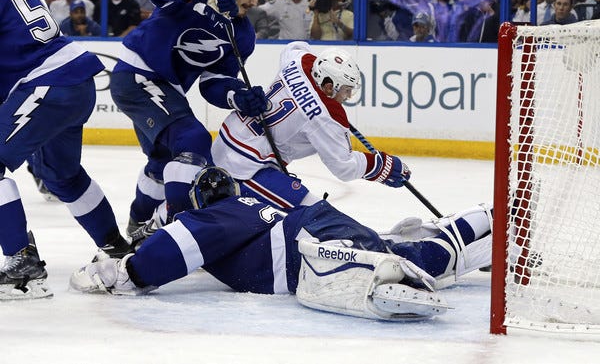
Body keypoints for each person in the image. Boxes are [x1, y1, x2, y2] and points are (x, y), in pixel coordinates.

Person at [69, 165, 494, 321]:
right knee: (414, 255)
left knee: (366, 276)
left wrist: (123, 271)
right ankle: (480, 224)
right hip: (318, 224)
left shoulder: (210, 219)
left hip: (309, 247)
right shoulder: (246, 206)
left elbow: (165, 256)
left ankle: (386, 272)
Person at [109, 0, 271, 237]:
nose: (255, 2)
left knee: (162, 162)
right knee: (193, 140)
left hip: (166, 88)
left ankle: (138, 225)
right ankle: (176, 233)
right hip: (137, 74)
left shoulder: (243, 35)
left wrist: (238, 96)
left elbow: (214, 82)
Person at [0, 0, 131, 299]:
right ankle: (116, 249)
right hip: (75, 79)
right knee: (63, 175)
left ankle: (24, 265)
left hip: (46, 83)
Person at [210, 41, 411, 211]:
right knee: (314, 217)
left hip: (226, 138)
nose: (348, 97)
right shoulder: (327, 116)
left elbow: (295, 46)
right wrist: (380, 166)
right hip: (246, 166)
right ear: (329, 86)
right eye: (347, 90)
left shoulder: (299, 61)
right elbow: (344, 166)